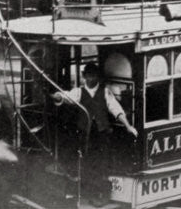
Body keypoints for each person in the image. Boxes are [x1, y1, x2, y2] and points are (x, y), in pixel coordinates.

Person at [52, 62, 136, 204]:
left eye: (93, 75)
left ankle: (99, 196)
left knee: (101, 163)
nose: (90, 79)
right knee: (85, 162)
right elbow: (66, 97)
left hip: (101, 134)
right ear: (84, 76)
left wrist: (128, 126)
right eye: (88, 76)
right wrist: (58, 96)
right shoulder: (79, 92)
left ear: (97, 77)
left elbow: (116, 109)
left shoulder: (105, 92)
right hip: (85, 135)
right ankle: (86, 193)